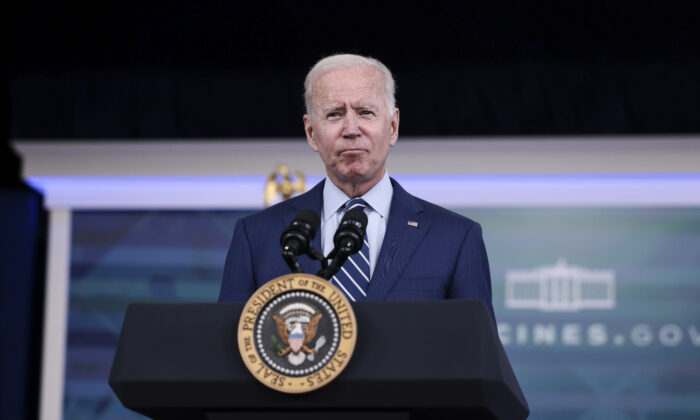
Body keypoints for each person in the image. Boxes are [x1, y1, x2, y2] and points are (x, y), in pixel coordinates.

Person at [219, 54, 494, 320]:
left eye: (365, 112)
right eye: (334, 114)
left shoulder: (456, 238)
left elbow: (479, 359)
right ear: (311, 133)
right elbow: (228, 354)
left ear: (393, 126)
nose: (351, 129)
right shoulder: (255, 236)